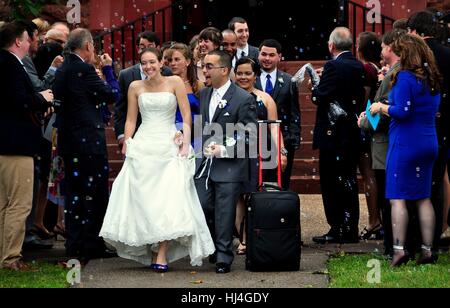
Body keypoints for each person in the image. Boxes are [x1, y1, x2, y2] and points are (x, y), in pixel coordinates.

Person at [100, 48, 215, 271]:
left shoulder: (175, 82)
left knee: (168, 197)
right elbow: (131, 119)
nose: (148, 67)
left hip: (168, 142)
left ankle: (162, 251)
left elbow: (187, 115)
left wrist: (186, 142)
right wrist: (128, 143)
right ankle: (151, 245)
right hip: (144, 143)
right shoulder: (135, 86)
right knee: (144, 198)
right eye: (144, 63)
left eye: (152, 62)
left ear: (161, 62)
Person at [369, 34, 441, 267]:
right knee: (423, 198)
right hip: (429, 142)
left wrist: (380, 107)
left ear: (406, 54)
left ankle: (399, 250)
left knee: (397, 197)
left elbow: (403, 111)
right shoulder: (432, 78)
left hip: (405, 143)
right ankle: (428, 250)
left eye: (399, 52)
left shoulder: (406, 78)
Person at [53, 28, 118, 264]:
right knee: (95, 194)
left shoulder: (62, 69)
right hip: (88, 144)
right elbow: (112, 94)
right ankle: (91, 244)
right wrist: (109, 71)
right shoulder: (83, 68)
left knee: (73, 195)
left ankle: (76, 245)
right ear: (88, 46)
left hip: (69, 144)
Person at [194, 50, 257, 274]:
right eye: (203, 66)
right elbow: (201, 127)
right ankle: (213, 245)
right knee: (201, 205)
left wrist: (224, 148)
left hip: (229, 166)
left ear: (223, 70)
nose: (204, 70)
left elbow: (249, 134)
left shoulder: (243, 99)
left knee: (224, 210)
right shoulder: (203, 94)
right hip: (204, 165)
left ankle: (223, 256)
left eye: (209, 66)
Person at [0, 21, 54, 270]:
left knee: (4, 204)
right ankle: (10, 259)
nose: (32, 42)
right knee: (19, 204)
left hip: (7, 144)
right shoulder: (10, 64)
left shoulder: (7, 63)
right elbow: (18, 100)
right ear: (17, 41)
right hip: (15, 145)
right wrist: (41, 98)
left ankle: (5, 256)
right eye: (28, 38)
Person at [311, 27, 365, 244]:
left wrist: (315, 88)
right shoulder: (357, 65)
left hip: (334, 135)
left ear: (331, 45)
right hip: (350, 132)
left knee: (332, 182)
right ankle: (350, 225)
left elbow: (320, 96)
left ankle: (337, 227)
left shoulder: (333, 65)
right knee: (348, 180)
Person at [358, 29, 406, 257]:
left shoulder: (394, 75)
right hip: (390, 142)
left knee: (390, 197)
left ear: (391, 49)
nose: (381, 50)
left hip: (384, 143)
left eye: (384, 47)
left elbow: (385, 108)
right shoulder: (395, 72)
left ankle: (391, 245)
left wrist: (364, 121)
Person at [233, 57, 288, 255]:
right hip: (237, 149)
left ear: (255, 75)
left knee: (253, 194)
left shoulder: (265, 99)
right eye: (239, 73)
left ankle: (249, 238)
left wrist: (281, 152)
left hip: (262, 149)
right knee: (238, 196)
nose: (243, 77)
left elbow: (275, 129)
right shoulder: (230, 97)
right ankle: (240, 237)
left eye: (248, 73)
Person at [114, 31, 171, 151]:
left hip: (165, 136)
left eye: (150, 46)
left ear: (158, 48)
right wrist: (122, 136)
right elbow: (120, 108)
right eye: (142, 47)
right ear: (137, 49)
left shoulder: (168, 73)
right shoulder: (126, 75)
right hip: (136, 136)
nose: (145, 50)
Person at [256, 39, 301, 189]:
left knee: (282, 183)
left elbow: (294, 112)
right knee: (257, 183)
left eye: (271, 55)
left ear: (279, 57)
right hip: (257, 141)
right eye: (263, 54)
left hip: (283, 141)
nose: (267, 58)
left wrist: (292, 141)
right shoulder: (250, 79)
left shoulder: (289, 81)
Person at [355, 31, 383, 240]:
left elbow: (363, 97)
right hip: (376, 125)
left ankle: (374, 220)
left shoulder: (367, 69)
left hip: (369, 125)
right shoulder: (377, 68)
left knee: (368, 174)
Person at [165, 43, 204, 149]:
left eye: (177, 59)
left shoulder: (198, 85)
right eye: (170, 60)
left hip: (194, 135)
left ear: (187, 61)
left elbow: (202, 114)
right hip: (170, 134)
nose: (173, 63)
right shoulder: (164, 85)